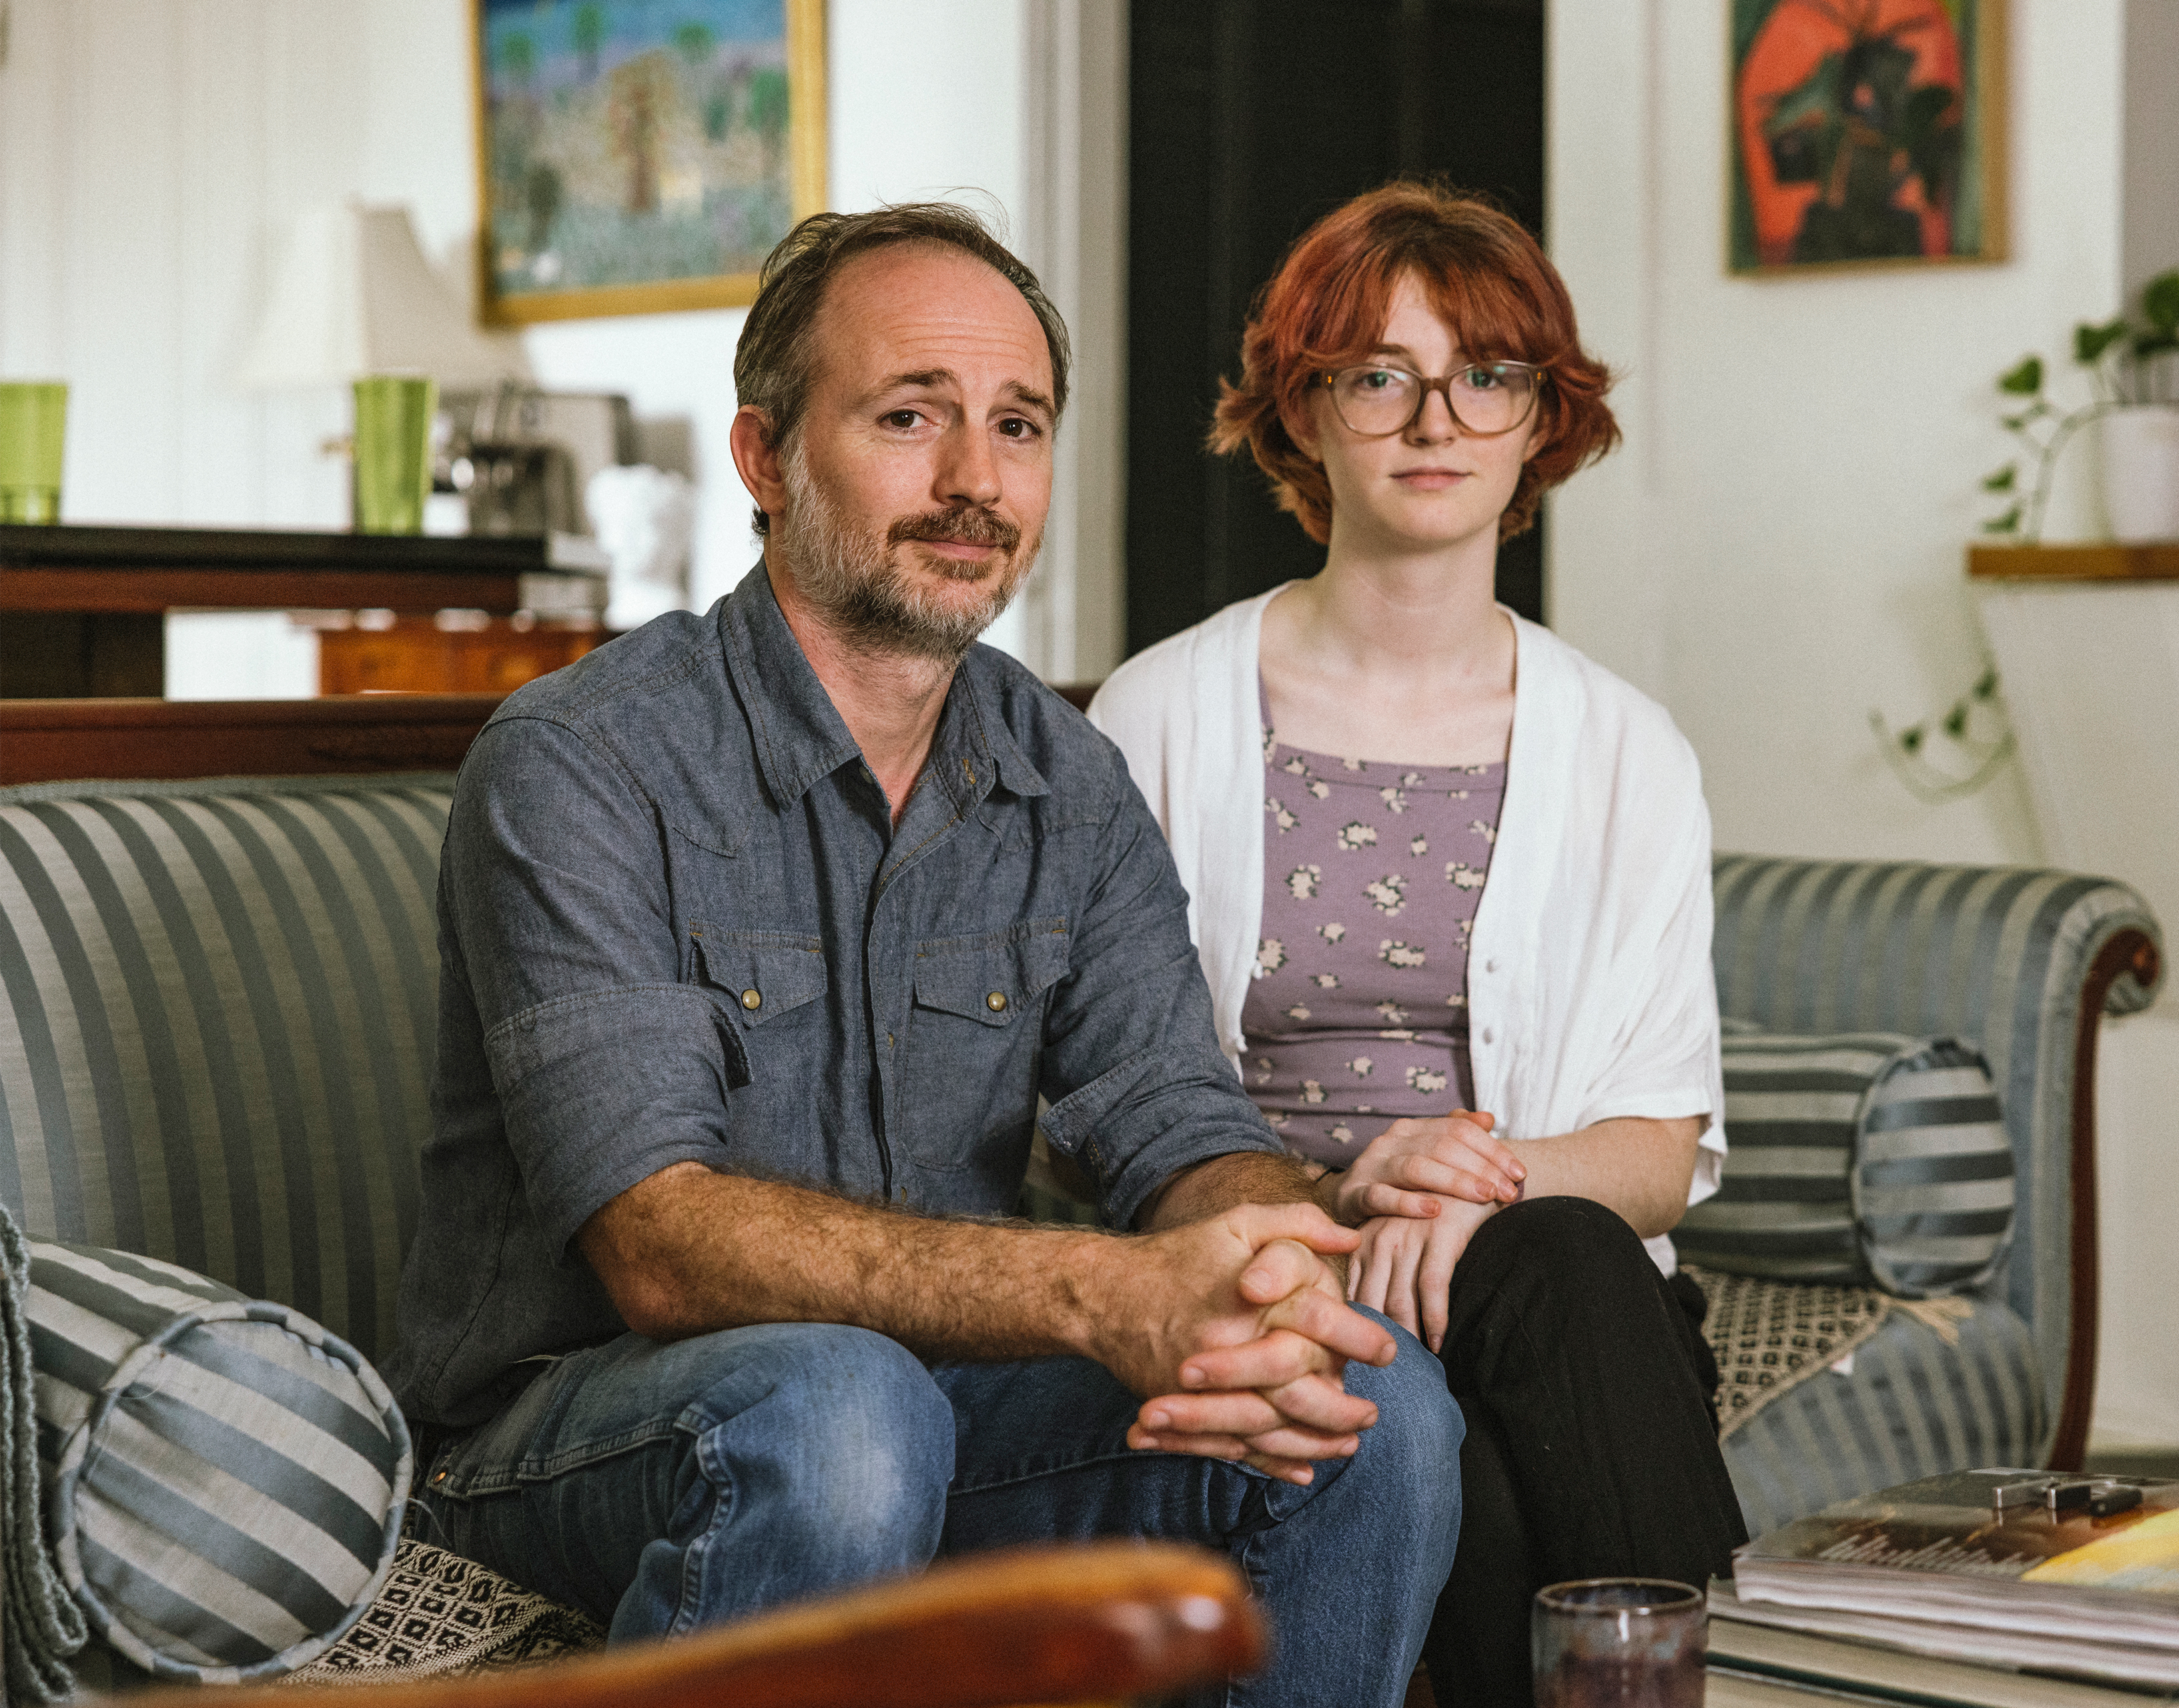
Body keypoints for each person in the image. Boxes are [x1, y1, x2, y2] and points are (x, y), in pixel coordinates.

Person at [382, 203, 1461, 1708]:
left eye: (1017, 427)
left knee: (1372, 1399)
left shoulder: (1063, 773)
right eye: (911, 417)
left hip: (930, 1406)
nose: (975, 481)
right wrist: (1103, 1293)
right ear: (767, 459)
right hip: (575, 1430)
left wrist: (1267, 1267)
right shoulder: (583, 759)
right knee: (838, 1404)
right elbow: (658, 1241)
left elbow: (1179, 1121)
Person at [1088, 181, 1751, 1708]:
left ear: (1540, 419)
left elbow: (1659, 1145)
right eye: (1379, 374)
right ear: (1304, 411)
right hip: (1270, 1271)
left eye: (1488, 374)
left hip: (1560, 1284)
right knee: (1442, 1419)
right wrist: (1343, 1197)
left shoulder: (1630, 750)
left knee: (1562, 1252)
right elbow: (1084, 1112)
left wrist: (1457, 1195)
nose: (1434, 417)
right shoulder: (1152, 716)